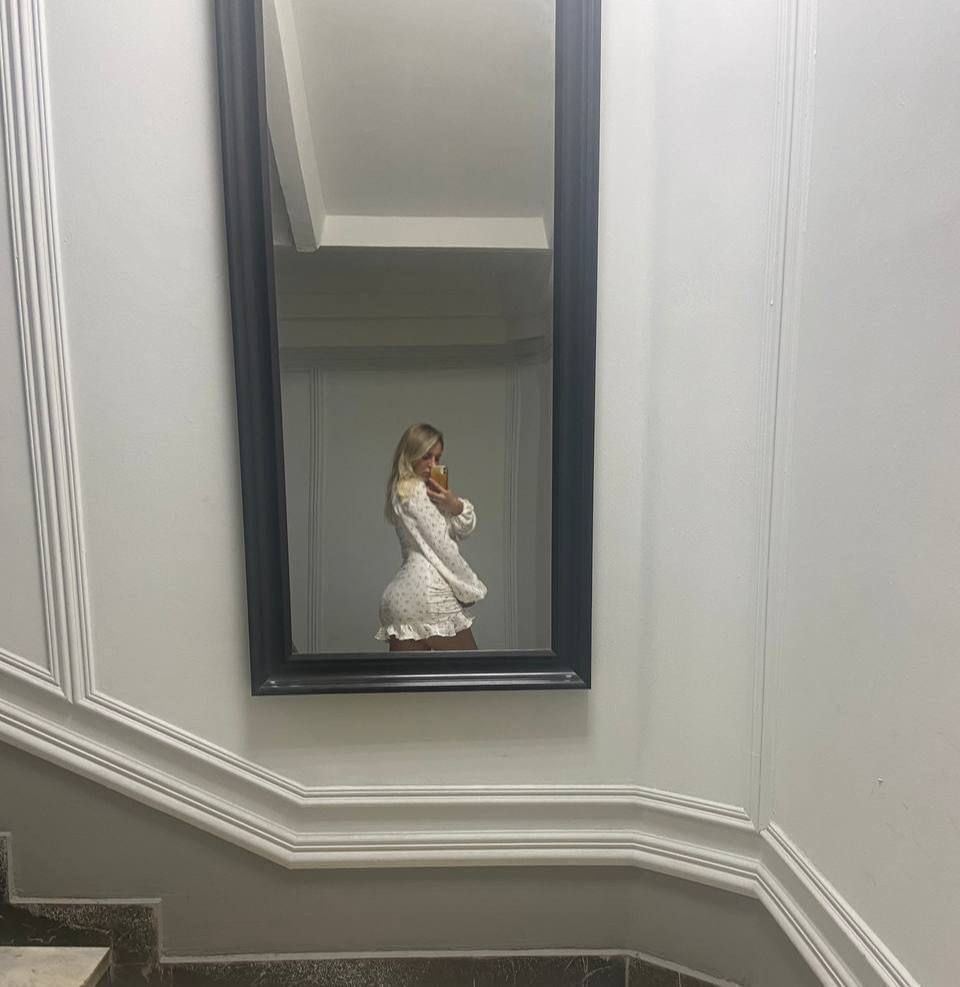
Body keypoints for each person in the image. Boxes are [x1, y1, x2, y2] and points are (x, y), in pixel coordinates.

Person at [376, 423, 487, 651]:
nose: (433, 465)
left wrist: (454, 505)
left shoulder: (403, 490)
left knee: (411, 678)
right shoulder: (415, 490)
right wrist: (469, 587)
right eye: (426, 457)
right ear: (411, 455)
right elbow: (442, 545)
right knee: (473, 671)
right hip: (430, 594)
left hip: (400, 603)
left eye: (437, 458)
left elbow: (459, 530)